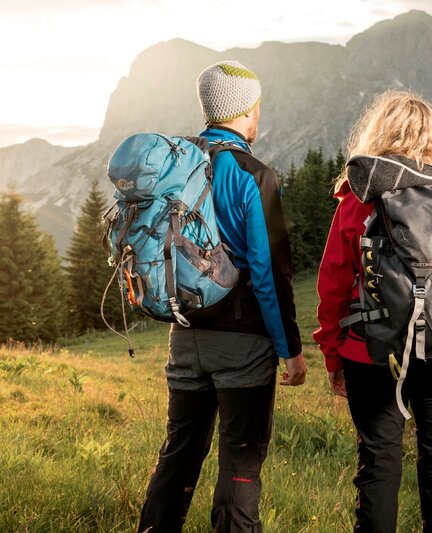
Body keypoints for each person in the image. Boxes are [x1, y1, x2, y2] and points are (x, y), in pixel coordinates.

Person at [313, 90, 432, 533]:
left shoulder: (357, 201)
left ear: (376, 135)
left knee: (377, 464)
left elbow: (333, 288)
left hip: (371, 353)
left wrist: (334, 357)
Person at [138, 60, 307, 533]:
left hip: (184, 337)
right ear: (248, 111)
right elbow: (271, 274)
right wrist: (289, 350)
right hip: (242, 345)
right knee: (240, 464)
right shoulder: (251, 174)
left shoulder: (179, 166)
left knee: (178, 455)